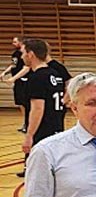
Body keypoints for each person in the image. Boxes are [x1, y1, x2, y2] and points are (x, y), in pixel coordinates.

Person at [21, 38, 68, 170]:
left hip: (42, 131)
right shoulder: (55, 74)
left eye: (23, 53)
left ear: (31, 54)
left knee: (38, 171)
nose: (22, 56)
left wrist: (29, 135)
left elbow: (37, 108)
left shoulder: (37, 77)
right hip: (57, 127)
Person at [2, 37, 29, 132]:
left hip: (25, 80)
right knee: (20, 102)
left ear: (21, 42)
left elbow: (26, 67)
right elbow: (13, 65)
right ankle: (26, 123)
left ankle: (29, 123)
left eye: (15, 42)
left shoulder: (27, 54)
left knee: (26, 102)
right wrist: (4, 72)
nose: (13, 44)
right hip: (17, 81)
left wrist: (14, 78)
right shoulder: (15, 54)